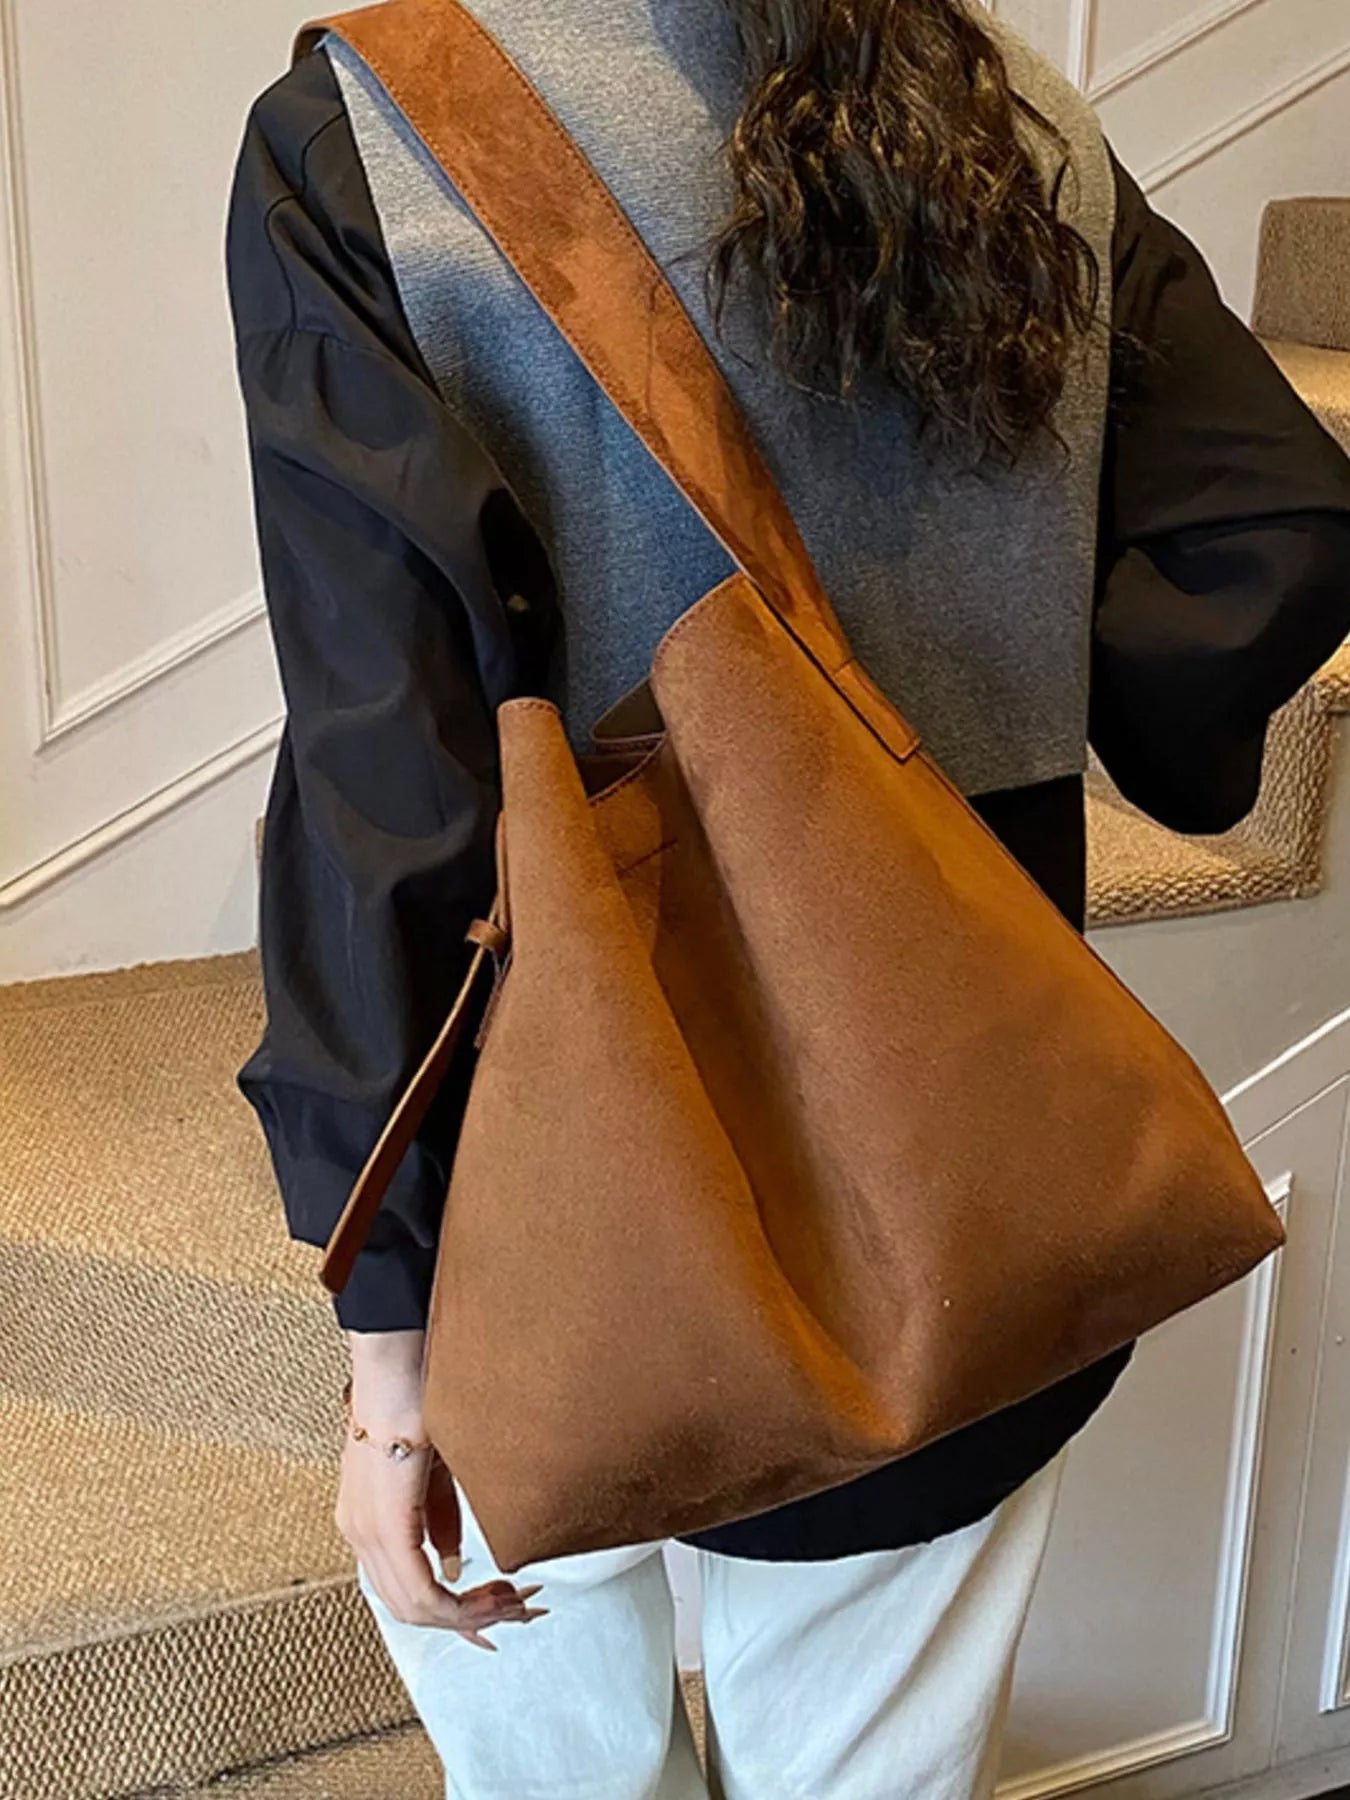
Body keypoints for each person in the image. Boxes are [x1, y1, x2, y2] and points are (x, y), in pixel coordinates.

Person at [224, 0, 1350, 1793]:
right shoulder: (1012, 111)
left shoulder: (374, 132)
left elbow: (390, 779)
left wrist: (391, 1360)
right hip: (943, 1117)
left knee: (561, 1760)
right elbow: (1272, 520)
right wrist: (998, 707)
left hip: (555, 1134)